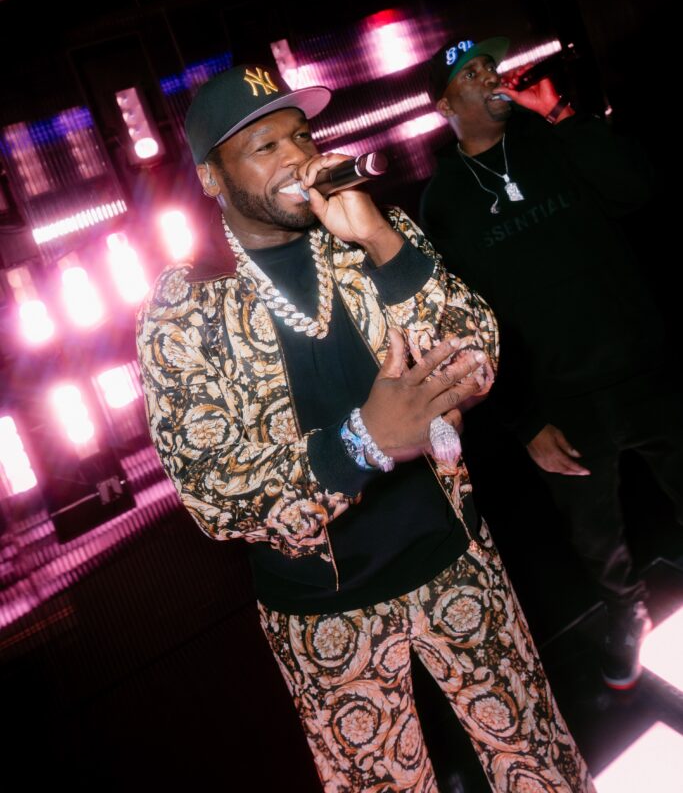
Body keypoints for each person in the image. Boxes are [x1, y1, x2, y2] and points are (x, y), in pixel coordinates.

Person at [137, 63, 595, 792]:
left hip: (456, 560)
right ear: (210, 177)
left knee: (539, 764)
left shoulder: (375, 235)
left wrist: (380, 238)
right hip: (323, 617)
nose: (296, 156)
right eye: (264, 146)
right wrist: (362, 443)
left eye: (300, 135)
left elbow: (477, 360)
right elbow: (213, 495)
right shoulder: (185, 312)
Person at [420, 36, 683, 691]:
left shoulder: (553, 138)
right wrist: (524, 421)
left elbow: (636, 190)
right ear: (444, 104)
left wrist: (562, 114)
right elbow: (465, 325)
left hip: (644, 369)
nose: (489, 76)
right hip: (561, 399)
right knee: (594, 534)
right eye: (470, 73)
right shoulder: (442, 200)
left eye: (490, 66)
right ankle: (627, 614)